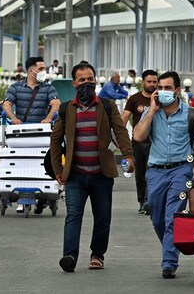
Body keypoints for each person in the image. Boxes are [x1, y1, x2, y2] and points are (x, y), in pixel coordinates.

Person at [49, 62, 134, 273]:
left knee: (103, 217)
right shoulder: (66, 108)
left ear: (96, 80)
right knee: (73, 216)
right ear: (74, 83)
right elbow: (55, 139)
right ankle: (69, 255)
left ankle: (97, 255)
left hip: (101, 174)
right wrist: (57, 171)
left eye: (90, 79)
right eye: (82, 80)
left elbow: (121, 131)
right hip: (76, 175)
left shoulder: (106, 106)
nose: (87, 83)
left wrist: (129, 155)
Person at [133, 71, 194, 279]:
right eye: (159, 88)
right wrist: (152, 111)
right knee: (156, 217)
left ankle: (169, 262)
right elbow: (138, 135)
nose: (162, 92)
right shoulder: (151, 112)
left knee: (173, 216)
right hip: (155, 172)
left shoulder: (191, 114)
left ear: (177, 91)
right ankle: (172, 245)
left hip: (181, 170)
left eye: (167, 88)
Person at [3, 56, 61, 213]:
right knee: (21, 163)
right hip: (21, 134)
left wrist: (48, 118)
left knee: (41, 163)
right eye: (41, 69)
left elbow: (56, 103)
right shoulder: (16, 87)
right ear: (31, 71)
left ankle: (42, 196)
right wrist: (13, 118)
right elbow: (7, 103)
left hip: (42, 135)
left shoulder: (48, 88)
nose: (44, 71)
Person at [122, 69, 158, 215]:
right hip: (138, 142)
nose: (152, 84)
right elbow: (123, 119)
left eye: (154, 82)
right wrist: (121, 139)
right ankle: (142, 201)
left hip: (155, 142)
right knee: (141, 173)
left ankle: (151, 201)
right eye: (149, 81)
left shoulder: (160, 99)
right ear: (143, 82)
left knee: (153, 172)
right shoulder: (134, 99)